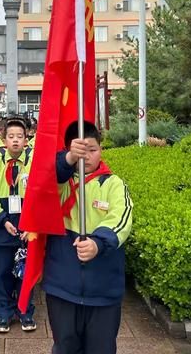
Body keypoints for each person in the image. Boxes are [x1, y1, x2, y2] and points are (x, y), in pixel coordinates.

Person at [42, 121, 133, 354]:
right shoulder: (60, 184)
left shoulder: (113, 184)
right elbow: (42, 184)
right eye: (82, 150)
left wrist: (98, 243)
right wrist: (68, 159)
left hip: (103, 291)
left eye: (93, 149)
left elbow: (121, 219)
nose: (89, 156)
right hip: (62, 288)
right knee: (64, 347)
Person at [0, 119, 36, 333]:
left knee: (26, 273)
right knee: (4, 273)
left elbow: (40, 195)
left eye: (20, 136)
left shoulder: (34, 161)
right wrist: (2, 220)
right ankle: (4, 313)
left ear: (26, 139)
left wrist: (31, 225)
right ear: (3, 139)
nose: (15, 140)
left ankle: (25, 311)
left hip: (28, 229)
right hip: (4, 227)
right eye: (11, 136)